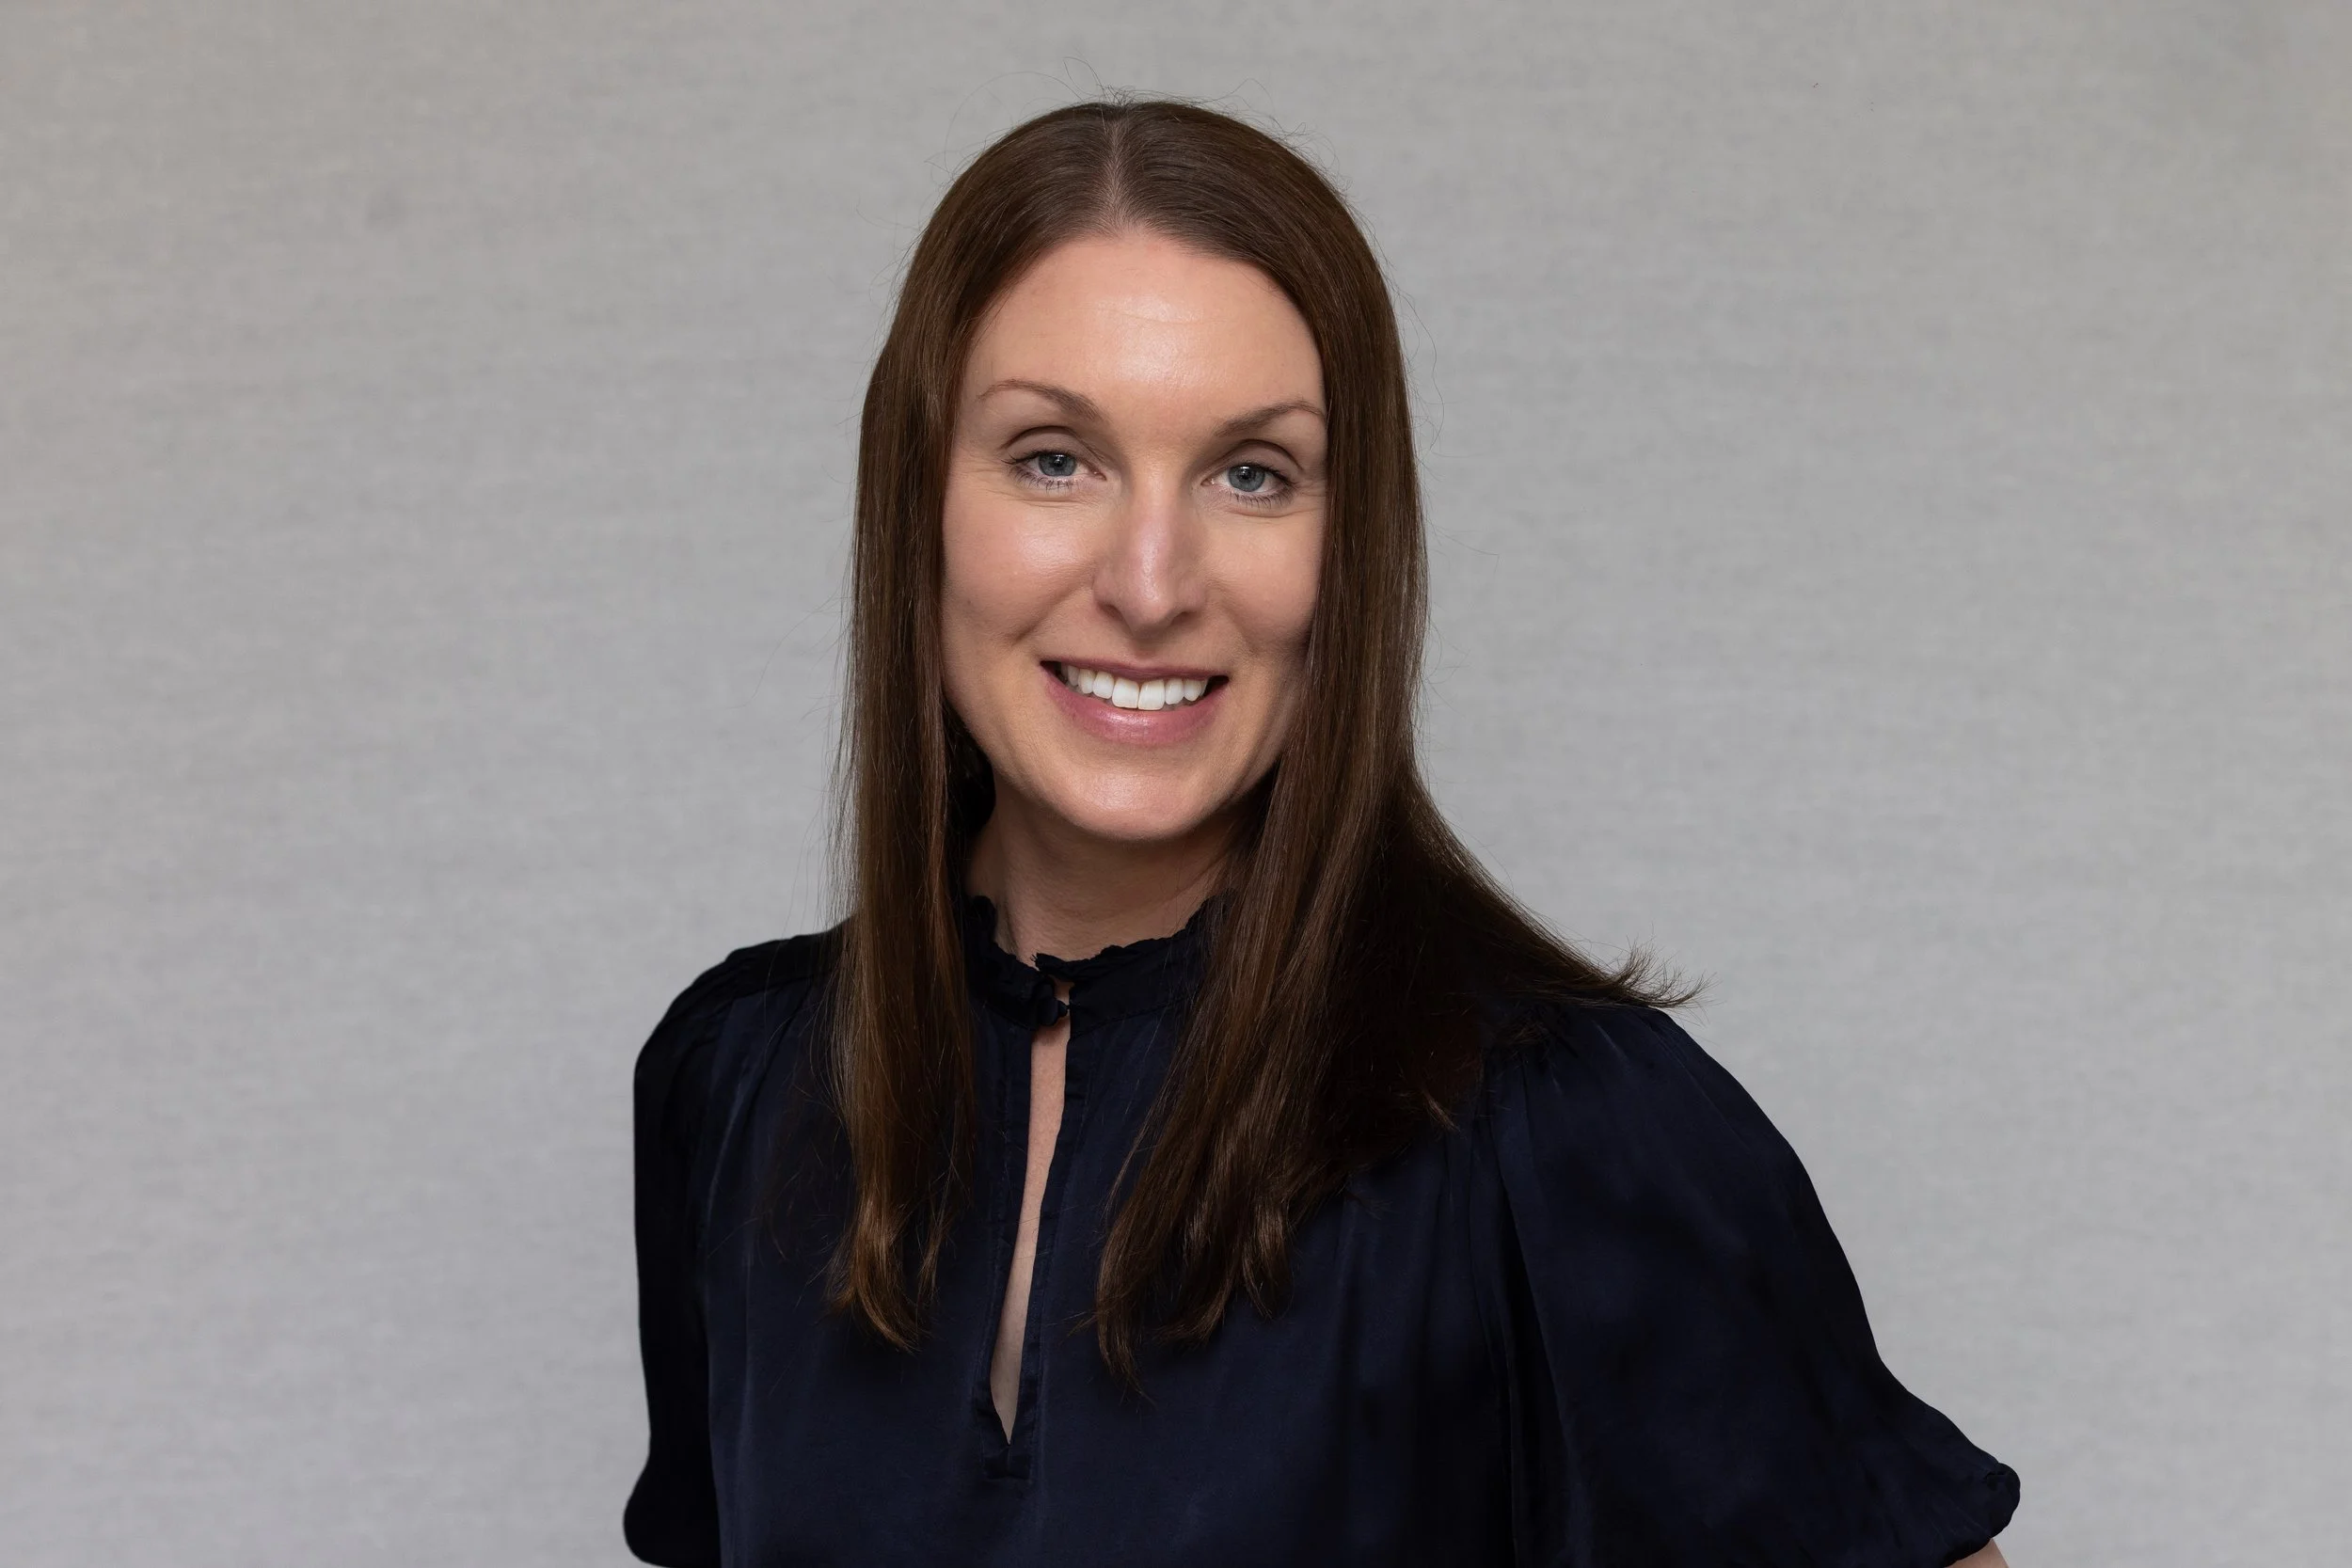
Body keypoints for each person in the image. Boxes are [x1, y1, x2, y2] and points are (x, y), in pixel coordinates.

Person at [624, 98, 2017, 1567]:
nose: (1151, 582)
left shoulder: (1572, 1136)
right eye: (1053, 458)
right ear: (919, 507)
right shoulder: (738, 1086)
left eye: (1251, 474)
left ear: (1347, 551)